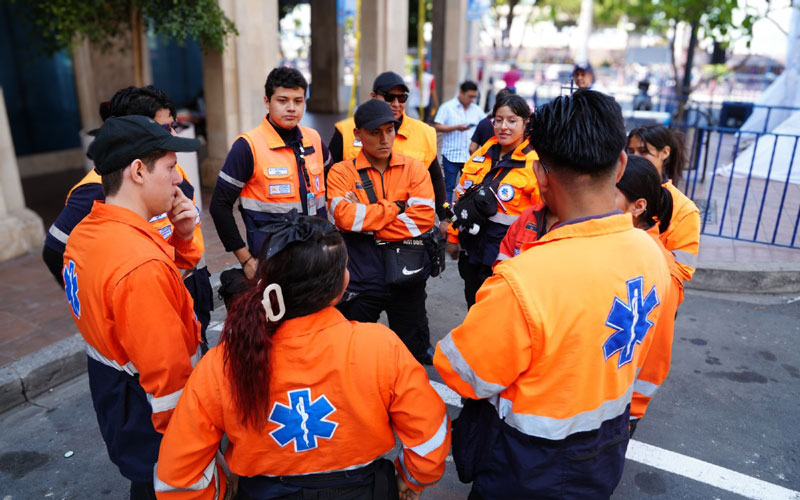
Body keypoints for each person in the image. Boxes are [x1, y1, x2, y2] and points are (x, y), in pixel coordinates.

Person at [434, 90, 670, 499]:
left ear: (541, 176)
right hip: (606, 449)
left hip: (526, 463)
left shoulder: (524, 279)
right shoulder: (652, 253)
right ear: (620, 164)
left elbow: (466, 373)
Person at [155, 214, 450, 500]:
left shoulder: (223, 363)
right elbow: (430, 433)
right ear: (340, 287)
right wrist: (410, 479)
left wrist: (223, 492)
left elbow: (178, 476)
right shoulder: (380, 346)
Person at [62, 115, 204, 499]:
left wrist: (183, 237)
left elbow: (146, 293)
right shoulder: (139, 264)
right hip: (153, 422)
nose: (178, 181)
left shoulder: (86, 233)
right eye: (171, 168)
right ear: (138, 171)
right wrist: (194, 448)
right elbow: (169, 385)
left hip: (118, 401)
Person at [42, 86, 213, 345]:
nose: (175, 134)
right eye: (166, 128)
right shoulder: (93, 191)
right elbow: (56, 251)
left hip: (188, 286)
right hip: (146, 307)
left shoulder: (173, 172)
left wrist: (185, 241)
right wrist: (95, 304)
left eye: (174, 125)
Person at [327, 100, 436, 365]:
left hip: (407, 276)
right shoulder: (341, 172)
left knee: (412, 355)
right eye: (375, 132)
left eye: (389, 130)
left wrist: (367, 223)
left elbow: (423, 219)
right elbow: (343, 217)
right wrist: (397, 207)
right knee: (351, 356)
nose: (385, 139)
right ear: (358, 134)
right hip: (360, 280)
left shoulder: (415, 169)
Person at [210, 67, 330, 280]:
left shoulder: (314, 139)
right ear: (267, 101)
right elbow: (219, 206)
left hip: (317, 259)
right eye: (282, 101)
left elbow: (335, 185)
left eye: (298, 101)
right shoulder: (248, 146)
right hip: (273, 264)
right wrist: (246, 260)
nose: (291, 108)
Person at [446, 94, 540, 308]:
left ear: (525, 123)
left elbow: (540, 218)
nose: (503, 127)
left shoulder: (534, 164)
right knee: (473, 305)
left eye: (512, 121)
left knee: (498, 313)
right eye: (498, 120)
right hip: (471, 250)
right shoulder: (481, 154)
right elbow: (461, 198)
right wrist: (452, 236)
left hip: (505, 258)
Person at [614, 156, 685, 436]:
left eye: (609, 193)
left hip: (617, 411)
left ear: (638, 207)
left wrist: (633, 410)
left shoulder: (661, 269)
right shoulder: (612, 246)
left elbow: (656, 350)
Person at [329, 71, 448, 233]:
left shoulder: (424, 133)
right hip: (361, 238)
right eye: (389, 97)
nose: (396, 104)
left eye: (402, 98)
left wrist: (444, 217)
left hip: (397, 238)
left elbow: (435, 178)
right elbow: (338, 199)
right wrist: (399, 207)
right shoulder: (345, 131)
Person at [627, 125, 701, 282]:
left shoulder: (685, 209)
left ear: (665, 152)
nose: (634, 157)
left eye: (643, 151)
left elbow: (682, 270)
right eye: (631, 151)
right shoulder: (616, 190)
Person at [433, 80, 484, 203]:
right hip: (451, 155)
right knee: (448, 187)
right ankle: (447, 213)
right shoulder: (447, 107)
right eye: (470, 96)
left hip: (469, 157)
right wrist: (456, 128)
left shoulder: (476, 110)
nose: (472, 99)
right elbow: (437, 126)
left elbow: (485, 124)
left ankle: (464, 211)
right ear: (461, 93)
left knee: (470, 188)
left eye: (474, 97)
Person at [469, 88, 515, 155]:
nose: (503, 127)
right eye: (498, 120)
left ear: (495, 102)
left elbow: (472, 148)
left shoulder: (483, 123)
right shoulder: (515, 125)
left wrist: (480, 160)